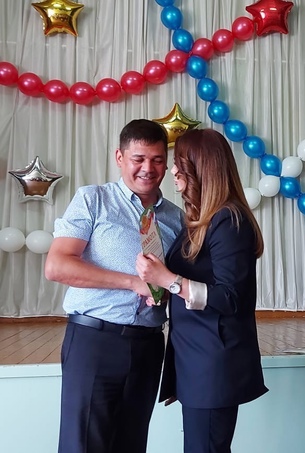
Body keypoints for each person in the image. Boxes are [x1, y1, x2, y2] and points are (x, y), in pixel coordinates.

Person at [45, 119, 184, 453]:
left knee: (132, 445)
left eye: (157, 160)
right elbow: (57, 265)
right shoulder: (93, 199)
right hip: (94, 341)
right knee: (83, 445)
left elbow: (176, 286)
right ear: (119, 157)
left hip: (149, 345)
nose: (148, 168)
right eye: (138, 158)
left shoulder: (176, 218)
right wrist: (134, 283)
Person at [135, 128, 268, 453]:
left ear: (200, 168)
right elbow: (199, 283)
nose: (173, 171)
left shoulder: (229, 220)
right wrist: (163, 288)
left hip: (212, 364)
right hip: (196, 359)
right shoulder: (202, 219)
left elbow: (231, 298)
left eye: (179, 162)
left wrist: (169, 280)